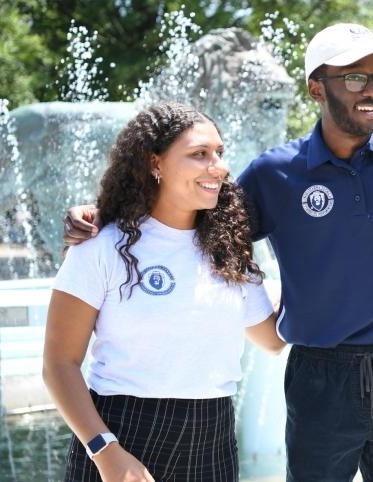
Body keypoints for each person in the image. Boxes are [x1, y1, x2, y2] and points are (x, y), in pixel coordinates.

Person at [64, 24, 373, 482]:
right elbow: (196, 211)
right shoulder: (274, 172)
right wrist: (104, 213)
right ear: (316, 89)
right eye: (356, 77)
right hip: (318, 375)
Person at [44, 103, 284, 482]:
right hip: (122, 434)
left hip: (213, 439)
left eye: (219, 153)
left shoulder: (229, 252)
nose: (218, 166)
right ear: (154, 163)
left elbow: (271, 339)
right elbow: (59, 364)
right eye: (199, 154)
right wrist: (104, 450)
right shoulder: (101, 247)